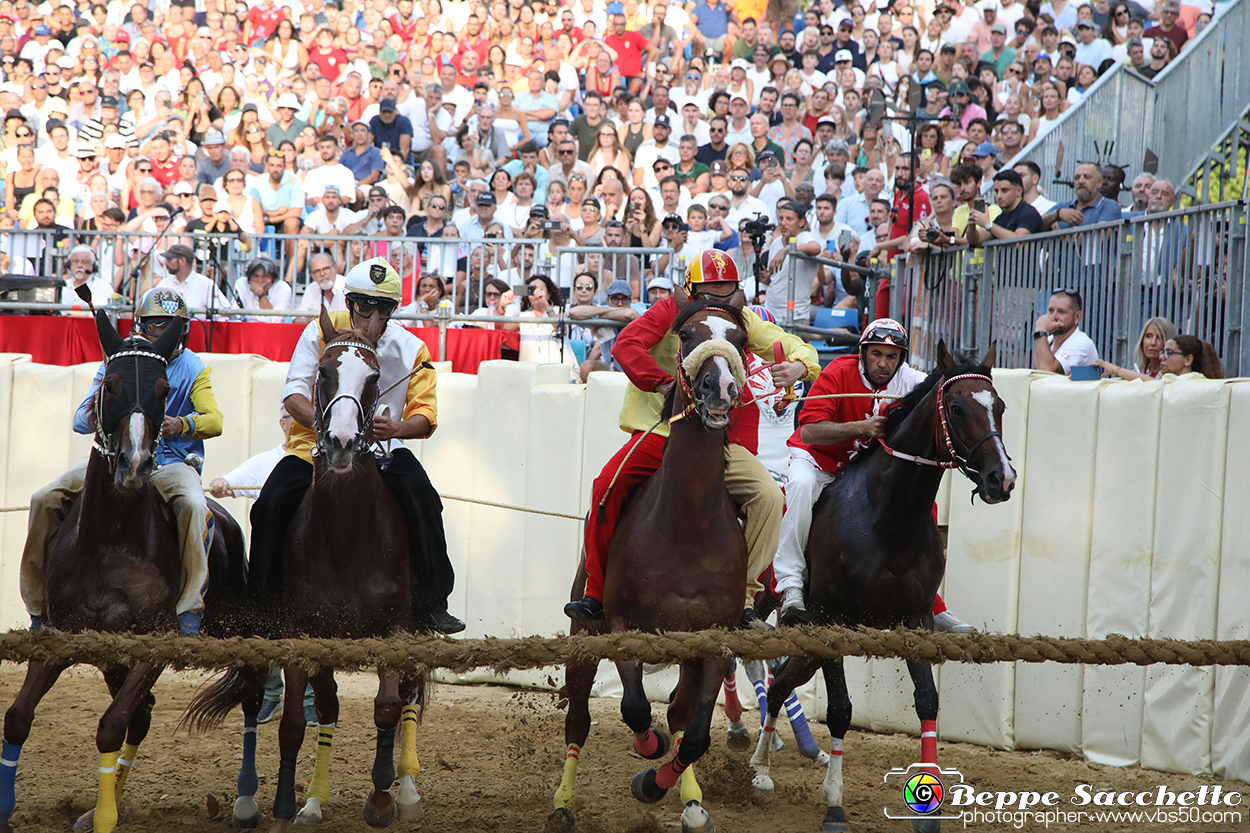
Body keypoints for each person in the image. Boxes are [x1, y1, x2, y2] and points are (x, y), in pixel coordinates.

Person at [563, 251, 820, 628]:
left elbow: (794, 345)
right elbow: (626, 345)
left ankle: (744, 598)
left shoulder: (741, 320)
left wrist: (799, 365)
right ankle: (596, 592)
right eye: (708, 292)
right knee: (605, 486)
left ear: (736, 293)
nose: (716, 300)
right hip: (661, 431)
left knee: (769, 498)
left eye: (725, 291)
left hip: (718, 440)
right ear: (690, 290)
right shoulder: (668, 311)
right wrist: (665, 384)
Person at [247, 258, 465, 635]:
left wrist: (397, 426)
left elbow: (426, 415)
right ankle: (263, 608)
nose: (372, 317)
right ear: (348, 303)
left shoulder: (413, 349)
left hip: (383, 454)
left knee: (423, 496)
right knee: (269, 504)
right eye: (364, 306)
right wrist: (328, 427)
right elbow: (294, 393)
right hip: (312, 448)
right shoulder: (320, 330)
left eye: (384, 308)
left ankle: (432, 602)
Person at [21, 289, 223, 636]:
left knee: (193, 506)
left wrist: (183, 424)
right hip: (112, 461)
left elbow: (215, 421)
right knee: (43, 499)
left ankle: (190, 608)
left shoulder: (193, 366)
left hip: (170, 463)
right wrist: (105, 399)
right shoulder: (115, 360)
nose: (170, 334)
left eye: (175, 326)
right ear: (142, 327)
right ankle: (38, 608)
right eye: (159, 327)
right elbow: (81, 422)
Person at [773, 319, 974, 632]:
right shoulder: (838, 371)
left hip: (864, 468)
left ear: (901, 359)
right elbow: (810, 430)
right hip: (819, 460)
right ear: (863, 353)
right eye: (876, 354)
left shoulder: (910, 380)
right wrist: (861, 428)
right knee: (799, 486)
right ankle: (790, 584)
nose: (883, 363)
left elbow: (944, 393)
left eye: (891, 356)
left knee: (920, 504)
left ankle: (931, 604)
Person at [966, 169, 1042, 244]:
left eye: (1004, 190)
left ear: (1019, 191)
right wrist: (971, 226)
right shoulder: (1002, 217)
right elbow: (975, 240)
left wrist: (988, 224)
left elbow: (1019, 241)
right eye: (996, 191)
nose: (998, 196)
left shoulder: (1028, 213)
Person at [1033, 288, 1098, 375]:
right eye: (1051, 311)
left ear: (1077, 317)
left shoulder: (1081, 343)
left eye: (1061, 312)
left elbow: (1047, 372)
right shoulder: (1048, 340)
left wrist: (1040, 330)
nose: (1054, 317)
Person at [1093, 316, 1177, 380]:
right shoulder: (1137, 371)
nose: (1153, 343)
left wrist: (1117, 370)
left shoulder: (1175, 374)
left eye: (1159, 337)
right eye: (1148, 336)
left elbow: (1156, 386)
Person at [60, 245, 113, 310]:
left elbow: (105, 315)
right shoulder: (63, 286)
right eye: (75, 261)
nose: (79, 265)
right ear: (69, 265)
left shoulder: (103, 287)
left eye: (84, 262)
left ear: (92, 266)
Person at [1159, 334, 1224, 379]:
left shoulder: (1197, 385)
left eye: (1169, 352)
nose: (1161, 357)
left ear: (1188, 360)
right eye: (1163, 352)